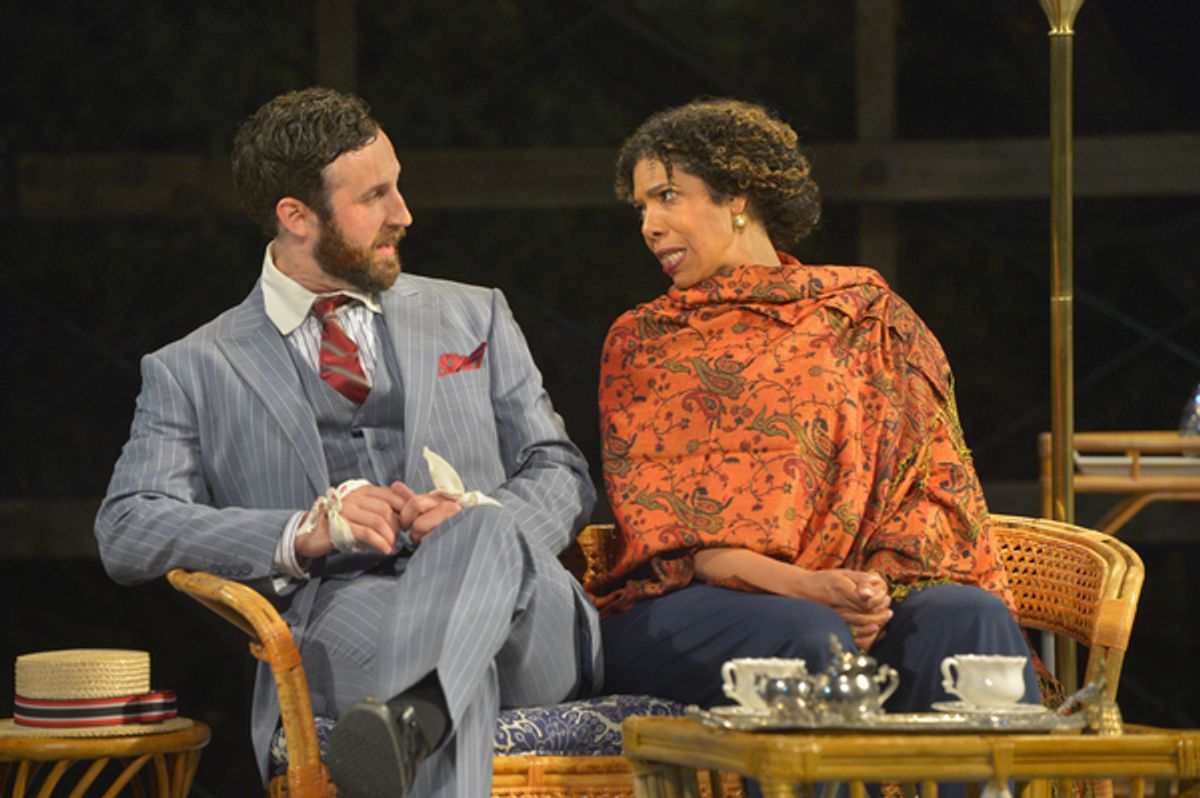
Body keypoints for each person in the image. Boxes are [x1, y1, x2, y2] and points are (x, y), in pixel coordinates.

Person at [94, 87, 601, 798]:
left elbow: (560, 468)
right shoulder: (193, 368)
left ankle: (413, 715)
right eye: (376, 196)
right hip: (351, 622)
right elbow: (127, 526)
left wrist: (475, 515)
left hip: (528, 618)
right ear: (296, 217)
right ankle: (416, 717)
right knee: (458, 682)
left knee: (483, 528)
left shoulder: (474, 313)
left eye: (398, 186)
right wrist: (304, 530)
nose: (404, 214)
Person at [593, 98, 1038, 716]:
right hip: (693, 605)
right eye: (642, 206)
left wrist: (868, 592)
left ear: (737, 196)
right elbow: (676, 542)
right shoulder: (645, 339)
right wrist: (808, 589)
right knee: (806, 635)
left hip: (852, 595)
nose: (649, 224)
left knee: (968, 619)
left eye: (668, 196)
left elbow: (926, 490)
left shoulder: (865, 315)